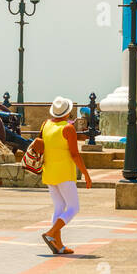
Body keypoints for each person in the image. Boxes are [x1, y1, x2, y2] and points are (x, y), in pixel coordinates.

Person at [33, 96, 92, 255]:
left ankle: (58, 245)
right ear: (68, 113)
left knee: (59, 207)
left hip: (49, 171)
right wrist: (86, 174)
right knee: (73, 207)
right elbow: (74, 154)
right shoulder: (68, 128)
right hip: (64, 173)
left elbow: (49, 142)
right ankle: (51, 233)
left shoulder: (46, 124)